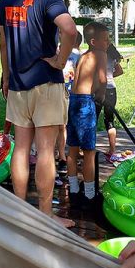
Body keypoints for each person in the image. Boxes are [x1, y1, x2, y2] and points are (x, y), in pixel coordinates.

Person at [0, 0, 78, 227]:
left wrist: (6, 76)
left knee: (21, 149)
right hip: (46, 83)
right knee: (45, 150)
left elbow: (4, 44)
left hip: (17, 84)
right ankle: (44, 216)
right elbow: (70, 30)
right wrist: (61, 60)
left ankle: (19, 211)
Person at [66, 22, 108, 205]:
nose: (108, 43)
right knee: (89, 151)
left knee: (73, 149)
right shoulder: (100, 54)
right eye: (105, 40)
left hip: (73, 100)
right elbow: (102, 80)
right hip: (85, 103)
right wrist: (101, 95)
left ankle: (74, 189)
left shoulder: (83, 56)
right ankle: (90, 194)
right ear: (94, 41)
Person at [56, 31, 83, 174]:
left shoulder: (77, 55)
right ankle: (61, 155)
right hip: (57, 90)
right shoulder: (57, 50)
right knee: (61, 125)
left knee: (65, 125)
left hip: (71, 93)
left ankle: (67, 155)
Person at [96, 44, 124, 164]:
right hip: (112, 90)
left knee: (94, 118)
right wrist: (110, 76)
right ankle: (112, 149)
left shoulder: (98, 56)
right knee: (109, 120)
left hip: (99, 89)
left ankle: (87, 148)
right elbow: (120, 71)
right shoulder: (113, 57)